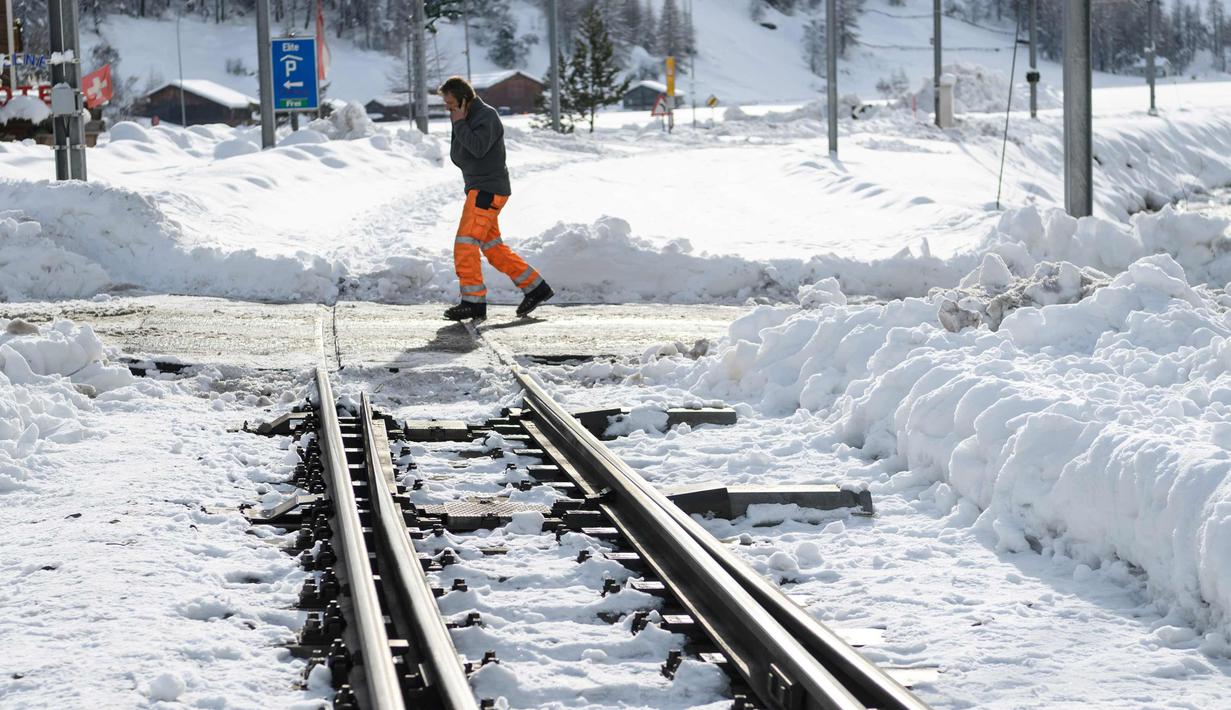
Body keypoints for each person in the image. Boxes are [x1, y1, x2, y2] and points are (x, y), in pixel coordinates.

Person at [438, 76, 553, 321]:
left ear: (464, 99)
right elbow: (461, 155)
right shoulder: (466, 117)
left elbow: (477, 149)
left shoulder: (485, 116)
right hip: (481, 189)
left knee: (465, 244)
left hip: (486, 191)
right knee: (493, 248)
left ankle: (473, 302)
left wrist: (458, 124)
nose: (447, 109)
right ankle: (536, 288)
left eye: (450, 103)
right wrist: (459, 122)